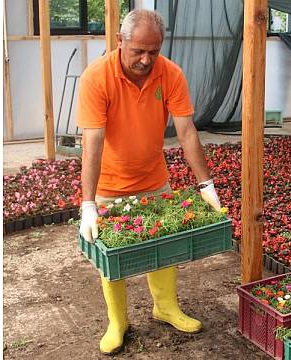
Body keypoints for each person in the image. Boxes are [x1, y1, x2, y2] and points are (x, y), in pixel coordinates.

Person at [76, 9, 222, 355]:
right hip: (110, 185)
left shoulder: (170, 74)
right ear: (119, 42)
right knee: (114, 256)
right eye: (138, 51)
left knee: (164, 247)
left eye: (153, 51)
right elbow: (92, 142)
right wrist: (88, 204)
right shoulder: (97, 78)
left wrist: (206, 185)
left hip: (154, 179)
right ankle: (118, 321)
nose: (146, 59)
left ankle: (166, 307)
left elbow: (186, 131)